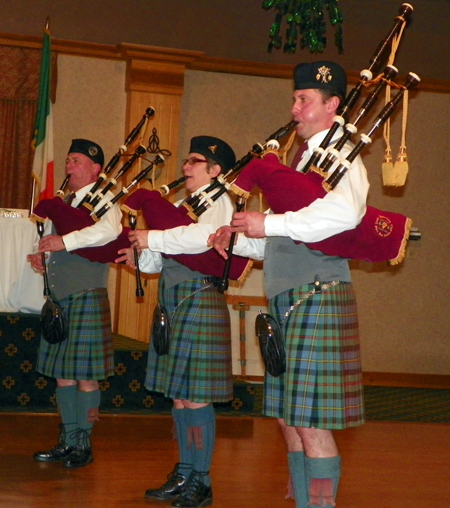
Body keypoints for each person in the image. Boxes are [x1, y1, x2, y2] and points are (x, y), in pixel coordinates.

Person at [208, 61, 369, 508]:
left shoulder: (341, 155)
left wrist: (269, 221)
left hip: (318, 295)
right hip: (289, 298)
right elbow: (284, 238)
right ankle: (304, 500)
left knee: (312, 423)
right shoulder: (302, 161)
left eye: (304, 100)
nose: (294, 108)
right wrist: (240, 239)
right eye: (294, 99)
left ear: (332, 105)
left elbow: (344, 215)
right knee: (291, 419)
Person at [116, 135, 237, 508]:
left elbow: (202, 240)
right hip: (172, 301)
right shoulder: (186, 203)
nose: (185, 167)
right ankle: (185, 472)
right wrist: (142, 254)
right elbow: (163, 252)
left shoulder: (220, 201)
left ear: (215, 171)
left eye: (194, 161)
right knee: (180, 397)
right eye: (186, 160)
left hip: (200, 299)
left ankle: (202, 481)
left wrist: (152, 235)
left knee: (196, 398)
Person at [27, 138, 122, 469]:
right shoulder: (62, 202)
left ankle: (83, 443)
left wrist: (63, 241)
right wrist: (43, 255)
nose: (70, 165)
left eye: (77, 160)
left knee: (85, 375)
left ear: (95, 169)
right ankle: (67, 441)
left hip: (86, 294)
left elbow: (108, 233)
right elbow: (56, 243)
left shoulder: (105, 200)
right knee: (62, 375)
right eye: (68, 159)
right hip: (60, 296)